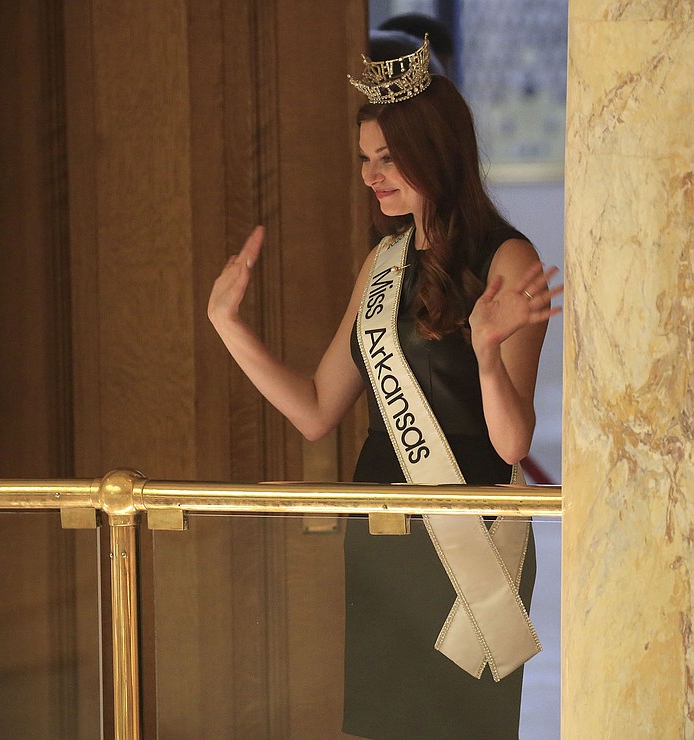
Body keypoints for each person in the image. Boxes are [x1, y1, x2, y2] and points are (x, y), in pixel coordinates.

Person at [208, 35, 562, 740]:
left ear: (435, 150)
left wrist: (488, 354)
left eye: (388, 158)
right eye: (365, 159)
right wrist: (227, 325)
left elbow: (512, 442)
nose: (372, 175)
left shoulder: (507, 256)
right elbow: (315, 410)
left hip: (471, 547)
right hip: (382, 534)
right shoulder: (384, 261)